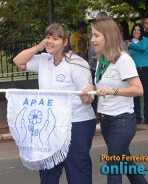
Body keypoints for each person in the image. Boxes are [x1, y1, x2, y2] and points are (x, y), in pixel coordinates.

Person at [13, 23, 96, 184]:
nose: (50, 41)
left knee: (77, 169)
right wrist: (39, 46)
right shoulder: (44, 59)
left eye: (55, 38)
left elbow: (87, 98)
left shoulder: (77, 63)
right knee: (48, 170)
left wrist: (88, 96)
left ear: (65, 42)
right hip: (50, 124)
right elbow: (18, 61)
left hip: (77, 123)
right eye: (48, 37)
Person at [81, 18, 147, 184]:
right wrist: (91, 88)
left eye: (96, 35)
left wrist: (112, 91)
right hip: (105, 119)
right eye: (92, 35)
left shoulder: (123, 59)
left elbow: (139, 89)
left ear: (108, 36)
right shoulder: (100, 59)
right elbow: (101, 85)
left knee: (113, 167)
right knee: (126, 163)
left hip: (122, 120)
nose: (92, 39)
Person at [127, 23, 148, 124]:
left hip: (145, 69)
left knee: (146, 93)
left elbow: (142, 48)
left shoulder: (144, 40)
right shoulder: (129, 42)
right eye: (134, 30)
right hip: (134, 71)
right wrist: (130, 44)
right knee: (136, 94)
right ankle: (137, 117)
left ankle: (147, 117)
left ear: (141, 32)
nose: (136, 32)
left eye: (138, 30)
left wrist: (131, 45)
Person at [88, 11, 108, 114]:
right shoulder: (94, 34)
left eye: (107, 20)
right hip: (95, 67)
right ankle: (96, 114)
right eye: (103, 20)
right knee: (95, 91)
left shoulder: (122, 58)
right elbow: (94, 52)